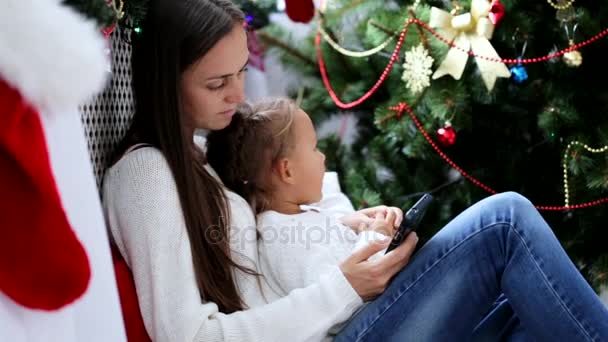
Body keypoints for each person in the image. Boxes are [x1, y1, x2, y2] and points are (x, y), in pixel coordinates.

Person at [101, 0, 608, 341]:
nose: (238, 95)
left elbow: (263, 240)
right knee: (505, 222)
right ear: (165, 82)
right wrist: (345, 287)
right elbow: (186, 335)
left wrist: (342, 226)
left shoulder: (199, 155)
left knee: (523, 310)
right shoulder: (145, 173)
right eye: (217, 84)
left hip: (339, 321)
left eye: (239, 74)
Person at [206, 98, 403, 334]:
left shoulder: (293, 219)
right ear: (287, 170)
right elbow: (346, 309)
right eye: (314, 148)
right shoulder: (283, 236)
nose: (323, 157)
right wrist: (376, 238)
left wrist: (351, 226)